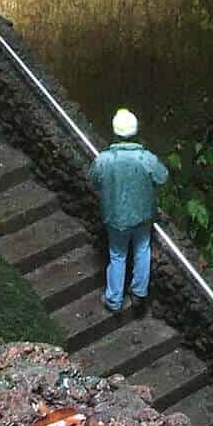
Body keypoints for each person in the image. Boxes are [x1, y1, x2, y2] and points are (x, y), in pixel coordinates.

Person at [89, 108, 167, 316]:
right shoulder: (146, 158)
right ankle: (139, 293)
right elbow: (162, 177)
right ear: (136, 132)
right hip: (142, 216)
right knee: (142, 250)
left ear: (114, 132)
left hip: (115, 218)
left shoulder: (105, 160)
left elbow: (94, 179)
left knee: (117, 255)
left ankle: (114, 299)